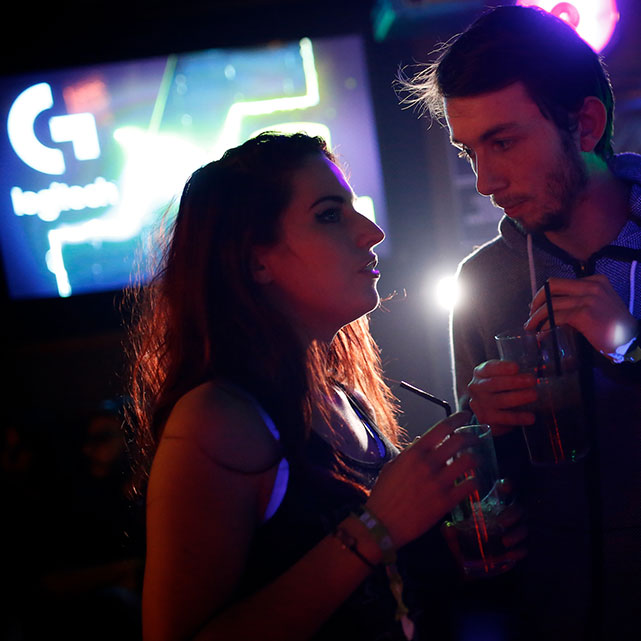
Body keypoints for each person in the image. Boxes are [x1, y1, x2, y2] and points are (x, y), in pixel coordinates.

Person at [125, 131, 484, 641]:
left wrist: (448, 550)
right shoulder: (218, 419)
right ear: (256, 261)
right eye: (330, 215)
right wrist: (375, 528)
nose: (372, 232)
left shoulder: (343, 398)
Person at [401, 5, 641, 640]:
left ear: (585, 124)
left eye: (503, 142)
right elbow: (485, 494)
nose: (484, 181)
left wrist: (632, 349)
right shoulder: (482, 282)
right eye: (469, 151)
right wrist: (481, 434)